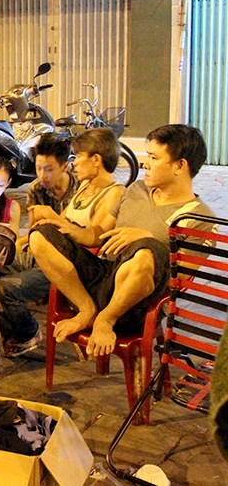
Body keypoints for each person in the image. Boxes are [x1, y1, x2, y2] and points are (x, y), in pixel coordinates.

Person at [30, 124, 215, 356]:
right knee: (42, 235)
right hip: (104, 279)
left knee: (146, 250)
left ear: (180, 166)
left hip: (136, 304)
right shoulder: (137, 189)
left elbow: (181, 279)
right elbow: (99, 233)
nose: (146, 164)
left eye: (154, 158)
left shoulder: (199, 217)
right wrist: (67, 229)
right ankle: (87, 309)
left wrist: (146, 239)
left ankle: (106, 319)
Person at [0, 128, 125, 357]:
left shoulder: (114, 192)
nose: (75, 163)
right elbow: (59, 225)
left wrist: (51, 219)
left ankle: (28, 332)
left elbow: (97, 237)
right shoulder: (84, 188)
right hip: (50, 253)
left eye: (79, 156)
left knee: (2, 288)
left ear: (96, 160)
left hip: (71, 267)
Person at [16, 134, 80, 249]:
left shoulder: (80, 187)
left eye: (49, 169)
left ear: (64, 167)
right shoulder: (36, 189)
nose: (42, 175)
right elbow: (32, 230)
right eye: (38, 168)